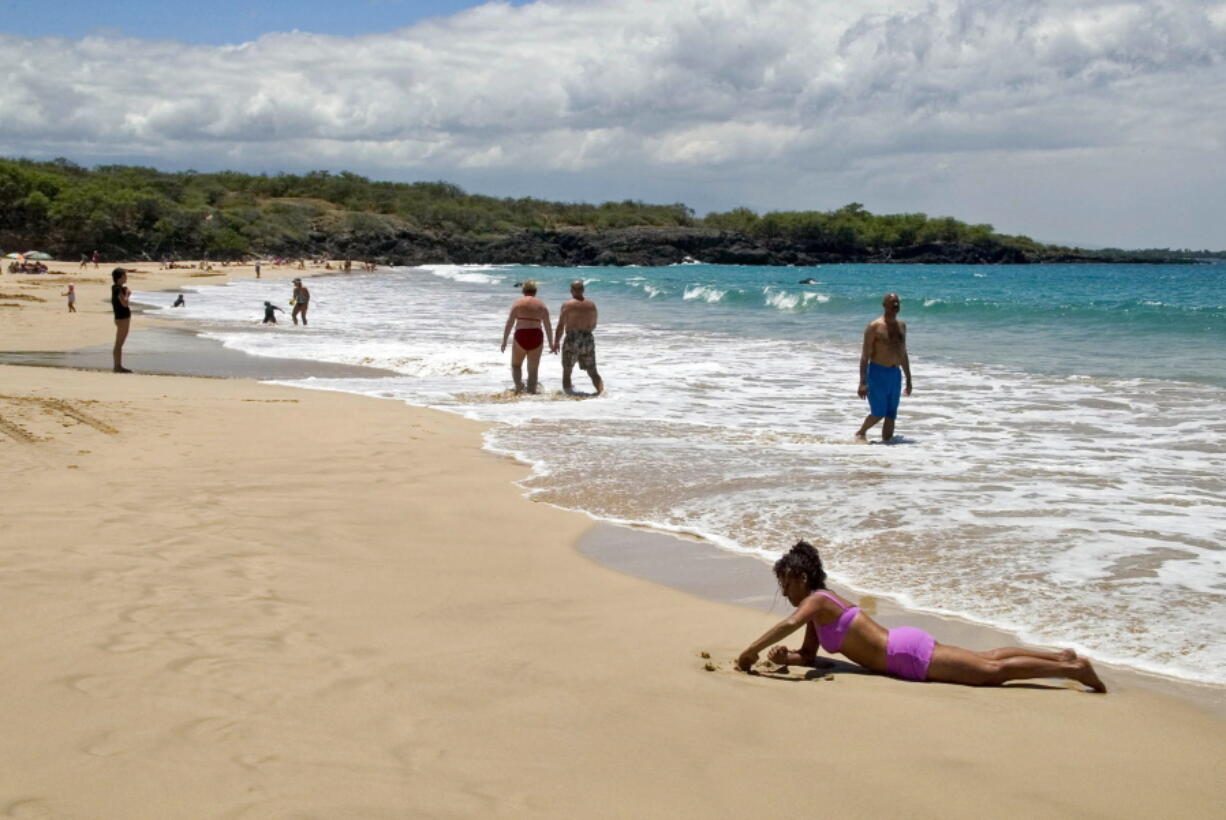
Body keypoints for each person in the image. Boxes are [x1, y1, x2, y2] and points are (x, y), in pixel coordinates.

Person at [736, 541, 1106, 692]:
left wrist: (749, 652)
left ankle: (1075, 671)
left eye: (785, 584)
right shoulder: (818, 613)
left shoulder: (817, 601)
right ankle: (1061, 657)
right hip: (906, 651)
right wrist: (788, 658)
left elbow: (787, 624)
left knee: (993, 674)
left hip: (908, 656)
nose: (784, 592)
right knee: (989, 659)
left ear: (802, 578)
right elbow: (809, 653)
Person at [856, 292, 912, 442]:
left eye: (897, 302)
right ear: (884, 305)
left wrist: (909, 379)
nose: (895, 305)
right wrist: (862, 382)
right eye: (892, 302)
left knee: (891, 413)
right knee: (878, 412)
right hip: (877, 373)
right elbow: (864, 356)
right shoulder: (874, 326)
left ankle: (887, 447)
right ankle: (861, 432)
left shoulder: (902, 326)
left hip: (895, 374)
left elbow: (903, 353)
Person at [500, 280, 554, 394]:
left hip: (521, 336)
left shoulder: (518, 304)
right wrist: (551, 343)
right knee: (533, 370)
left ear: (523, 290)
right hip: (536, 336)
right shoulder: (542, 305)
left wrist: (504, 341)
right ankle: (531, 394)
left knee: (516, 365)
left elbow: (509, 323)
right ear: (535, 291)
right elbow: (548, 326)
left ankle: (519, 387)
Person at [553, 279, 603, 395]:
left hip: (572, 337)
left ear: (571, 290)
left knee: (567, 370)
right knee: (592, 371)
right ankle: (602, 393)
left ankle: (569, 394)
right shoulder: (591, 305)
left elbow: (561, 325)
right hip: (588, 337)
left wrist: (556, 342)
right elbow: (594, 324)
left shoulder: (567, 305)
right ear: (583, 290)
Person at [110, 268, 132, 373]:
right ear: (120, 277)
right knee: (119, 343)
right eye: (125, 275)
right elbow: (124, 303)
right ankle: (117, 367)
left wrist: (126, 291)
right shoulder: (117, 289)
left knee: (119, 343)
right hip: (122, 318)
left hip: (122, 317)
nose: (126, 277)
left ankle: (118, 365)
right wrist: (127, 293)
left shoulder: (117, 288)